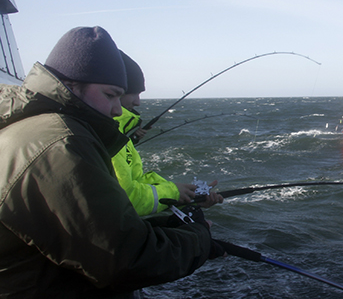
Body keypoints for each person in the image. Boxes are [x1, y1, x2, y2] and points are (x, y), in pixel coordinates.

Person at [0, 26, 223, 298]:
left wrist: (166, 227)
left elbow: (85, 233)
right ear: (71, 85)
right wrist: (200, 237)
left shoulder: (41, 131)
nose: (118, 109)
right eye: (110, 95)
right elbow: (124, 259)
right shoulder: (62, 146)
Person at [113, 51, 223, 216]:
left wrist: (189, 194)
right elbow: (125, 199)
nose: (138, 102)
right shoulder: (108, 140)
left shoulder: (119, 137)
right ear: (116, 91)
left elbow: (138, 181)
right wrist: (174, 193)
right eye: (134, 93)